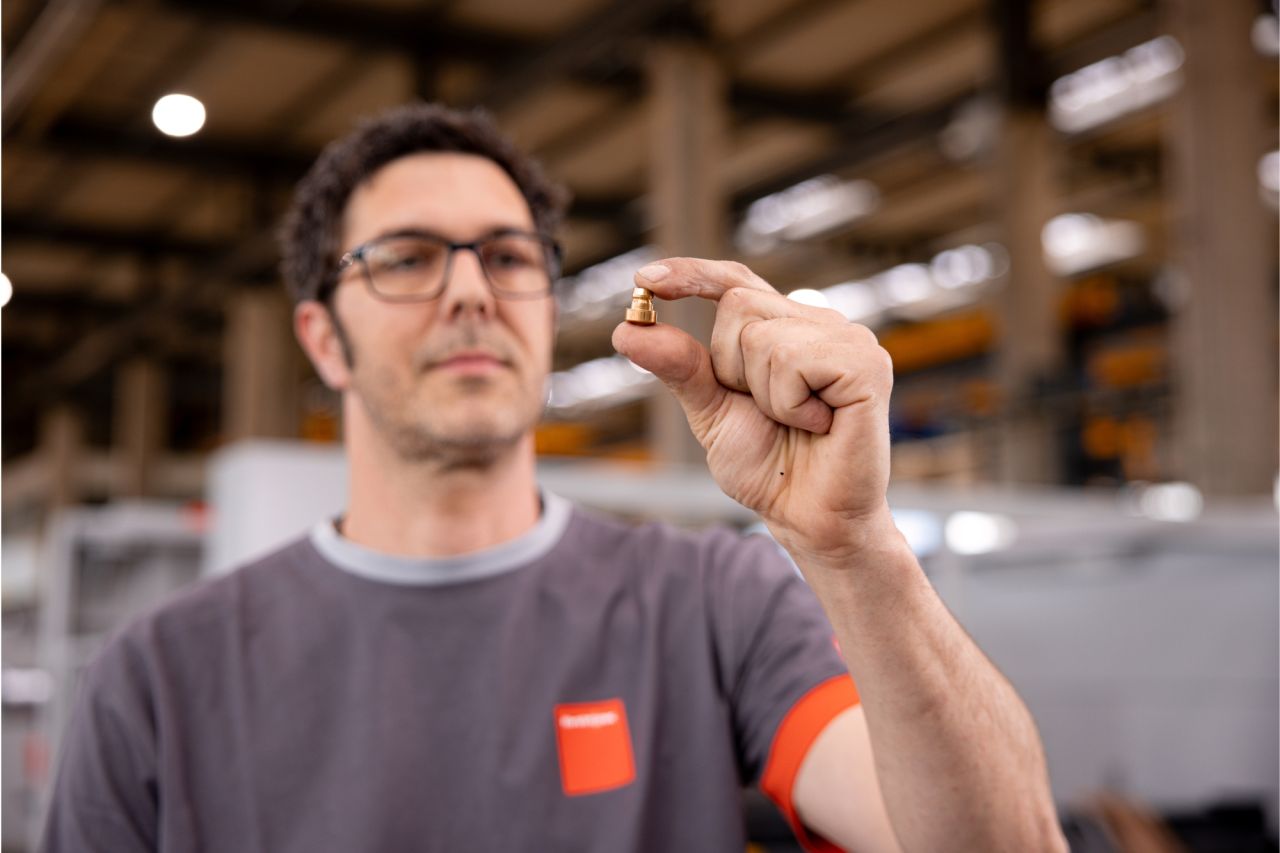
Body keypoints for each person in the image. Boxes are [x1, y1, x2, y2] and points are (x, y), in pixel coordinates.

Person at [42, 103, 1065, 852]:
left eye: (507, 256)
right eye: (405, 258)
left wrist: (854, 550)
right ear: (321, 337)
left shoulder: (710, 605)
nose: (469, 292)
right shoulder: (158, 681)